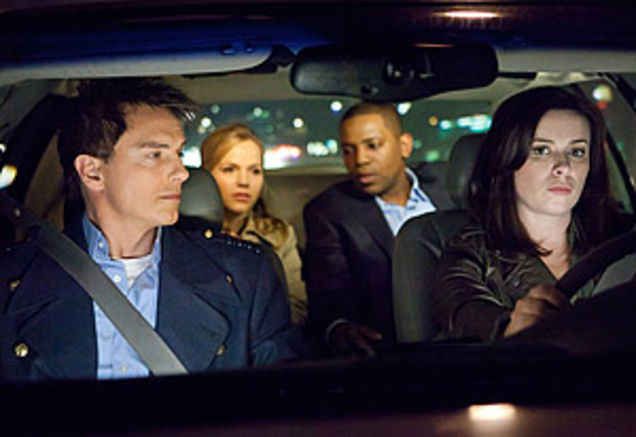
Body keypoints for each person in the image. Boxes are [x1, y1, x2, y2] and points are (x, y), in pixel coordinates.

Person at [0, 78, 299, 381]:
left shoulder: (247, 276)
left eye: (178, 153)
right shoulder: (10, 280)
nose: (182, 173)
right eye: (155, 155)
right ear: (92, 172)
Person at [433, 86, 632, 342]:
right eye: (541, 150)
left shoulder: (622, 238)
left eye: (577, 152)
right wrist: (509, 327)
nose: (563, 167)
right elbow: (462, 305)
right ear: (507, 159)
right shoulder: (471, 251)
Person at [303, 102, 438, 355]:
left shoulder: (451, 186)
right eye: (348, 150)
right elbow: (329, 293)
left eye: (372, 145)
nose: (360, 160)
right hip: (393, 349)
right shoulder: (329, 210)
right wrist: (339, 326)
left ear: (404, 145)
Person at [200, 123, 307, 327]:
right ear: (206, 174)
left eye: (255, 171)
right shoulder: (183, 238)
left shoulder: (279, 235)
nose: (244, 181)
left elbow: (296, 307)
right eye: (230, 169)